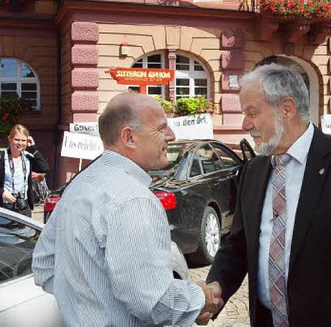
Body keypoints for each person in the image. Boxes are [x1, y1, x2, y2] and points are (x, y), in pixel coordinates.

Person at [205, 64, 331, 326]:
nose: (245, 124)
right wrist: (216, 287)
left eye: (252, 112)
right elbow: (239, 243)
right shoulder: (253, 171)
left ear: (286, 108)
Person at [32, 93, 218, 326]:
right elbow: (155, 303)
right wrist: (200, 298)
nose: (171, 135)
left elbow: (44, 265)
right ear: (129, 137)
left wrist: (89, 302)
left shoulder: (81, 183)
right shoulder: (133, 199)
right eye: (161, 128)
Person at [0, 124, 49, 217]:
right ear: (9, 139)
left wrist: (33, 148)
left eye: (23, 140)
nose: (20, 143)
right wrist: (2, 193)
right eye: (17, 140)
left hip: (23, 206)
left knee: (25, 231)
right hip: (3, 206)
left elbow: (44, 168)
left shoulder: (28, 158)